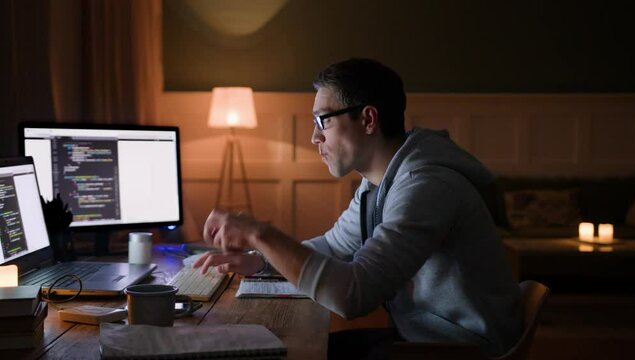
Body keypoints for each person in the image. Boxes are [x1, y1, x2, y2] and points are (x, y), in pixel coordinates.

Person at [194, 58, 523, 359]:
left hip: (462, 350)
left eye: (323, 121)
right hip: (422, 336)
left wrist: (259, 233)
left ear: (367, 119)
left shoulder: (427, 186)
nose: (314, 137)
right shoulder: (378, 184)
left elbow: (352, 295)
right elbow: (333, 247)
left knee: (293, 352)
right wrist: (258, 261)